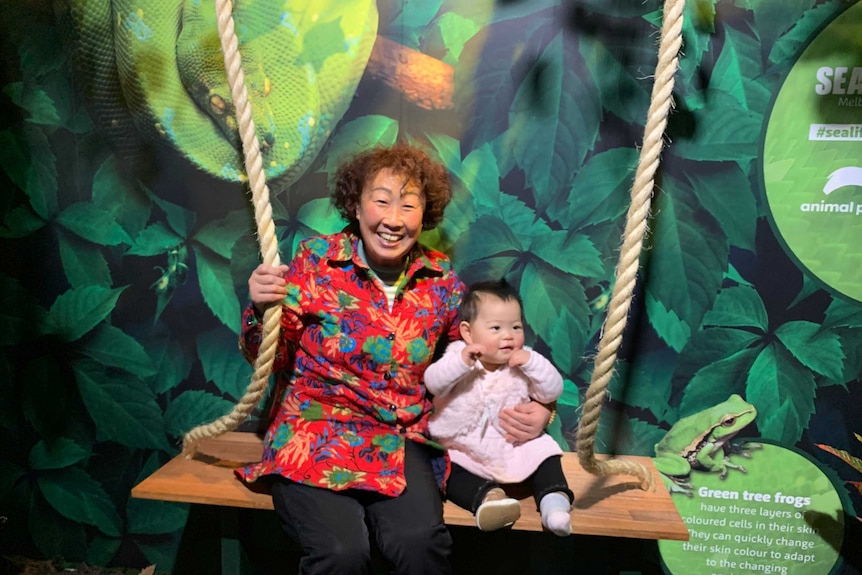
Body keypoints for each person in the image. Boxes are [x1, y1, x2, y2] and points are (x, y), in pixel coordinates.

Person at [236, 144, 552, 575]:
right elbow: (267, 357)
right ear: (356, 204)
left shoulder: (441, 282)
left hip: (401, 439)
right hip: (315, 434)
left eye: (408, 205)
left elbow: (482, 361)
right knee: (342, 553)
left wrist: (544, 410)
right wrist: (259, 310)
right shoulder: (315, 263)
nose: (393, 219)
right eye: (381, 200)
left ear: (425, 214)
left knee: (419, 544)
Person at [425, 278, 574, 537]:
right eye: (496, 328)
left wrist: (533, 363)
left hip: (513, 445)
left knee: (546, 453)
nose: (509, 335)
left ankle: (555, 506)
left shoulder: (523, 362)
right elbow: (433, 383)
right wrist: (461, 362)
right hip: (465, 447)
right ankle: (488, 499)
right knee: (446, 467)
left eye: (516, 327)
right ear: (468, 332)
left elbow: (551, 390)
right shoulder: (458, 357)